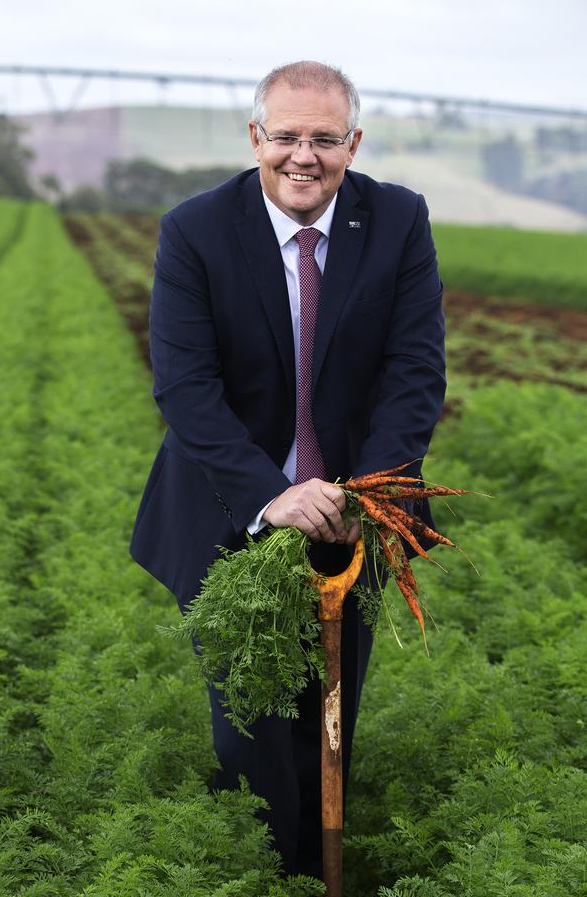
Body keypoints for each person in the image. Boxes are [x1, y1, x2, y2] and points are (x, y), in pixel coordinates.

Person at [131, 60, 446, 879]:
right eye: (286, 137)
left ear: (353, 143)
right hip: (232, 507)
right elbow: (186, 388)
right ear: (255, 139)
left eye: (324, 139)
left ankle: (321, 870)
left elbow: (415, 371)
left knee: (330, 715)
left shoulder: (398, 219)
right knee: (252, 728)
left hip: (355, 512)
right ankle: (265, 875)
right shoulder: (196, 229)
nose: (303, 156)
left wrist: (365, 495)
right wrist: (273, 496)